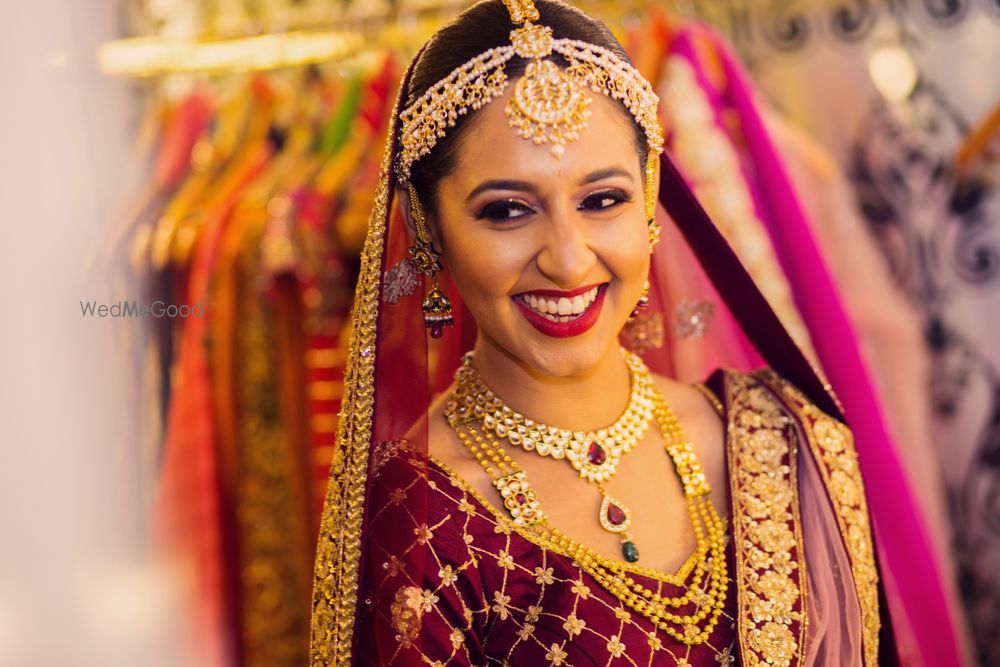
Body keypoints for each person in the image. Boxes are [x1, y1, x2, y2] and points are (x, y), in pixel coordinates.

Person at [310, 1, 900, 664]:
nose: (568, 258)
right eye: (507, 210)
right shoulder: (420, 520)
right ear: (429, 228)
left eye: (601, 200)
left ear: (648, 200)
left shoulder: (783, 437)